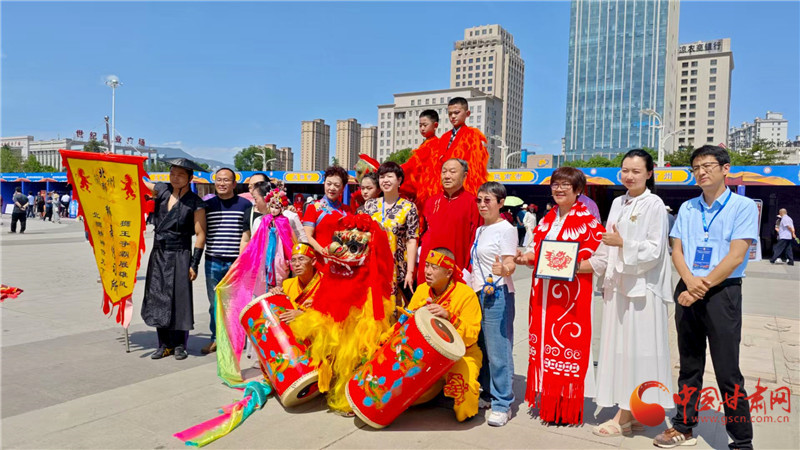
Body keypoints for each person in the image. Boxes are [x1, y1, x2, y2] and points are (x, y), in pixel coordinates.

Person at [654, 145, 758, 450]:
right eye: (696, 168)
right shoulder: (688, 208)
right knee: (689, 364)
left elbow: (736, 254)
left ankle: (742, 440)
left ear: (725, 169)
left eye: (707, 166)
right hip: (687, 288)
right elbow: (677, 250)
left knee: (727, 371)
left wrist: (701, 287)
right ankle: (683, 426)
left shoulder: (743, 206)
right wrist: (689, 283)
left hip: (723, 292)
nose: (701, 172)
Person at [580, 149, 674, 437]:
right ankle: (630, 412)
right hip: (618, 287)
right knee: (620, 350)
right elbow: (605, 244)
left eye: (636, 171)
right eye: (625, 170)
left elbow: (655, 250)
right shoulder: (618, 202)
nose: (629, 176)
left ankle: (625, 414)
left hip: (642, 291)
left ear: (649, 173)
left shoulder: (654, 204)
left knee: (639, 351)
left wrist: (623, 244)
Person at [515, 167, 605, 425]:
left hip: (570, 299)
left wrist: (568, 266)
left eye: (566, 185)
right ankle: (549, 402)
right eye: (555, 184)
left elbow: (601, 261)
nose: (559, 189)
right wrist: (524, 257)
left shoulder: (588, 222)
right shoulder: (547, 219)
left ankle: (565, 408)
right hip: (542, 297)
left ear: (578, 190)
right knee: (545, 349)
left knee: (565, 350)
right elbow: (536, 252)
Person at [405, 247, 482, 422]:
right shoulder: (422, 290)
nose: (427, 271)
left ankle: (447, 391)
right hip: (425, 355)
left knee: (464, 405)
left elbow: (472, 335)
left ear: (448, 272)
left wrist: (449, 317)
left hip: (461, 356)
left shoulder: (466, 295)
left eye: (434, 268)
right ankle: (436, 391)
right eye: (426, 265)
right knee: (405, 396)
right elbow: (406, 321)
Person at [141, 159, 207, 360]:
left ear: (190, 178)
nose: (175, 178)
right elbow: (140, 180)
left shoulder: (195, 202)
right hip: (159, 253)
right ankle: (164, 344)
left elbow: (200, 234)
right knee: (158, 297)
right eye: (172, 174)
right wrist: (120, 163)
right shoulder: (162, 190)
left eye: (180, 175)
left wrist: (194, 264)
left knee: (180, 299)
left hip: (181, 254)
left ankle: (179, 345)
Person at [468, 182, 518, 427]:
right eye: (479, 200)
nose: (482, 204)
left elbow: (510, 262)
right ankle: (488, 393)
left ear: (501, 203)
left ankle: (502, 403)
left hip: (498, 293)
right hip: (479, 293)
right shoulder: (481, 229)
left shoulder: (506, 229)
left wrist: (504, 269)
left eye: (488, 200)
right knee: (484, 348)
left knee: (499, 350)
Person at [201, 168, 251, 355]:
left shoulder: (245, 205)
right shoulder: (207, 205)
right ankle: (216, 338)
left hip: (236, 263)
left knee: (236, 303)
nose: (222, 183)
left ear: (234, 184)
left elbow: (248, 234)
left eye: (226, 180)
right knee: (215, 303)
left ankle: (236, 338)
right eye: (219, 180)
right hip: (213, 261)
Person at [416, 158, 482, 285]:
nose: (447, 176)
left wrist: (468, 271)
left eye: (452, 172)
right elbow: (423, 234)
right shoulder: (431, 202)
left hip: (457, 268)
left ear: (464, 176)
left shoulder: (473, 203)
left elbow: (475, 240)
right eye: (444, 171)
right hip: (429, 268)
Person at [362, 162, 419, 305]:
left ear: (399, 180)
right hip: (372, 267)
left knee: (394, 307)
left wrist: (410, 272)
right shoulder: (370, 205)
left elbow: (412, 240)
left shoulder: (409, 208)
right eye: (382, 177)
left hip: (397, 270)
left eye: (389, 176)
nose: (385, 180)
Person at [435, 97, 490, 196]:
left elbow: (475, 167)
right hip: (443, 186)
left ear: (467, 113)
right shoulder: (444, 137)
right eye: (450, 114)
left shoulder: (472, 135)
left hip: (463, 188)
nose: (453, 116)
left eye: (456, 113)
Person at [241, 173, 306, 246]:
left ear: (266, 198)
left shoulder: (290, 217)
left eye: (256, 199)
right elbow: (254, 246)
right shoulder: (258, 221)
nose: (255, 204)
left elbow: (303, 242)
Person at [268, 242, 322, 323]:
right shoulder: (287, 284)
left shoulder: (326, 283)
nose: (297, 264)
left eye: (301, 259)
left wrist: (303, 315)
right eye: (293, 260)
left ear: (313, 261)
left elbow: (333, 314)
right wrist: (275, 295)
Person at [401, 109, 442, 213]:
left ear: (435, 125)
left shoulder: (434, 144)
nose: (422, 128)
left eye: (425, 125)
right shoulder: (425, 144)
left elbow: (413, 165)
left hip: (429, 190)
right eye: (420, 125)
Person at [302, 166, 350, 254]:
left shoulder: (347, 210)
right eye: (329, 184)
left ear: (343, 188)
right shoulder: (313, 207)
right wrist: (323, 252)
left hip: (342, 260)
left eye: (337, 185)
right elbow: (307, 236)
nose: (332, 188)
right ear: (324, 184)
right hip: (320, 259)